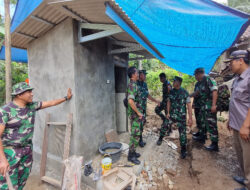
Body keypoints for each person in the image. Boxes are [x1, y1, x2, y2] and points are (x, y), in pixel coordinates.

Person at [0, 82, 72, 190]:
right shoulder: (5, 111)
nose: (32, 94)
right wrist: (3, 160)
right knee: (8, 184)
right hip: (10, 153)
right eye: (29, 92)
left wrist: (66, 98)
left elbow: (51, 103)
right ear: (19, 95)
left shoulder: (32, 106)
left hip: (27, 150)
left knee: (22, 179)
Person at [225, 50, 250, 190]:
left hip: (245, 126)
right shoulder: (237, 79)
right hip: (236, 124)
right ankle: (245, 178)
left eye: (231, 61)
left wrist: (246, 126)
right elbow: (235, 102)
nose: (229, 65)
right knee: (241, 154)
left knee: (248, 157)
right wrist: (230, 119)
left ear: (241, 60)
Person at [157, 76, 192, 159]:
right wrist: (168, 112)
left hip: (181, 116)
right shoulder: (171, 92)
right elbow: (169, 102)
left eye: (174, 81)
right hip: (172, 115)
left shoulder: (185, 92)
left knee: (182, 133)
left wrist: (190, 118)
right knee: (165, 125)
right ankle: (160, 138)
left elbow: (189, 105)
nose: (173, 82)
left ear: (178, 83)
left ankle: (183, 149)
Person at [192, 68, 219, 151]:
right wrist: (188, 96)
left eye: (196, 75)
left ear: (199, 74)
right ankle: (202, 137)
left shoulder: (209, 79)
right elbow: (197, 93)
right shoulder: (200, 83)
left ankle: (215, 145)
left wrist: (214, 105)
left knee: (211, 124)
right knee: (203, 122)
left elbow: (215, 91)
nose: (195, 77)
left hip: (209, 106)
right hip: (203, 106)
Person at [137, 70, 159, 147]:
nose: (145, 76)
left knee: (142, 124)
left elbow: (147, 95)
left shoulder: (145, 84)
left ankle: (139, 139)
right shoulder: (135, 84)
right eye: (144, 75)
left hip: (143, 108)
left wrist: (156, 101)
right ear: (140, 75)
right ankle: (139, 140)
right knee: (137, 125)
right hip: (137, 109)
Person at [127, 67, 144, 165]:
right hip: (135, 116)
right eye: (137, 73)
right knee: (135, 135)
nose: (138, 74)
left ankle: (133, 152)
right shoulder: (132, 85)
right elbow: (130, 101)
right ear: (133, 74)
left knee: (137, 135)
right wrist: (138, 113)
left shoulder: (134, 84)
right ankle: (131, 156)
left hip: (136, 115)